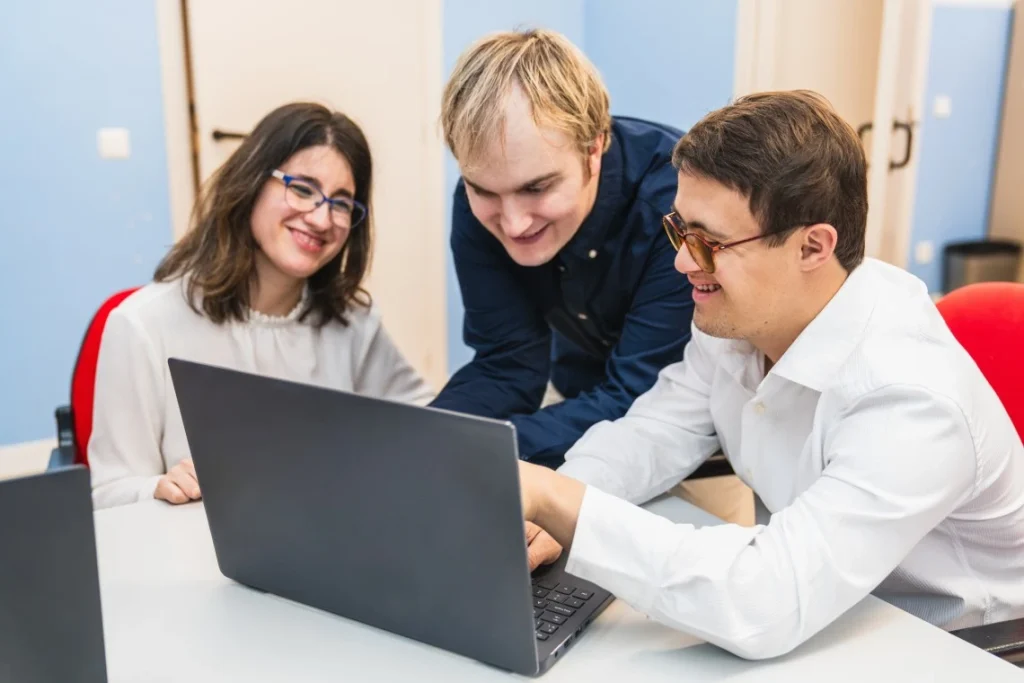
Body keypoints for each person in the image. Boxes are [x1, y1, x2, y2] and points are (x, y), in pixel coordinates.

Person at [517, 90, 1024, 659]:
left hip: (952, 648)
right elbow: (651, 433)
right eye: (678, 230)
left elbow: (762, 602)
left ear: (812, 246)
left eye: (708, 242)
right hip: (825, 615)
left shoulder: (909, 397)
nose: (683, 261)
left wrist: (559, 499)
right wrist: (549, 514)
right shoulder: (742, 323)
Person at [89, 103, 434, 509]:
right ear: (251, 183)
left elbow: (432, 428)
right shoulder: (143, 325)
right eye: (302, 188)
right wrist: (159, 488)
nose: (322, 219)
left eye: (341, 203)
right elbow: (107, 494)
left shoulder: (354, 325)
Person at [430, 29, 699, 471]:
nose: (513, 222)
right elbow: (507, 364)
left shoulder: (674, 204)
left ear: (594, 148)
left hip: (690, 430)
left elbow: (638, 394)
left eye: (536, 188)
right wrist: (426, 437)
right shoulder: (478, 204)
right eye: (484, 191)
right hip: (580, 403)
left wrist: (477, 448)